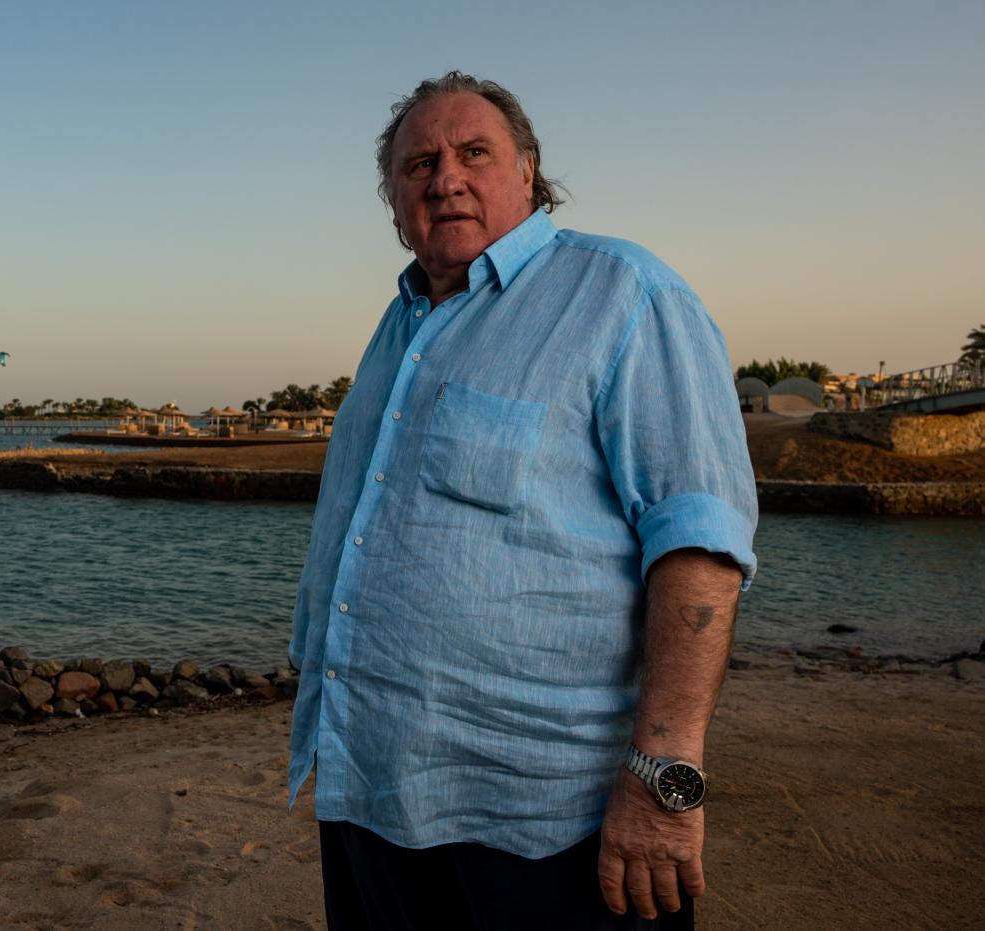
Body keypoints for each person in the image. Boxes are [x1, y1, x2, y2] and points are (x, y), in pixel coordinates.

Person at [287, 71, 757, 929]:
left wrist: (665, 779)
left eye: (475, 152)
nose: (446, 177)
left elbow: (700, 548)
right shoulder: (397, 331)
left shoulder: (624, 294)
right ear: (395, 202)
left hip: (549, 821)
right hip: (371, 794)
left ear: (529, 171)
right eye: (418, 163)